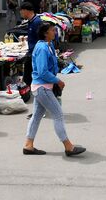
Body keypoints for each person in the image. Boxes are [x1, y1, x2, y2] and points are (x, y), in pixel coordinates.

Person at [23, 21, 86, 157]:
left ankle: (28, 145)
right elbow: (42, 72)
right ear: (46, 34)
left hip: (42, 87)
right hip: (42, 88)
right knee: (58, 115)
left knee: (36, 116)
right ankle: (68, 147)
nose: (55, 32)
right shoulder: (42, 48)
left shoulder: (48, 45)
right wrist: (58, 81)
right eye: (52, 30)